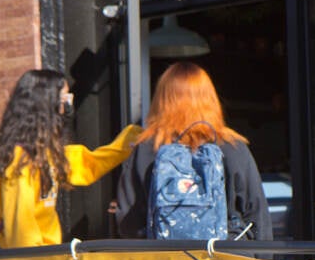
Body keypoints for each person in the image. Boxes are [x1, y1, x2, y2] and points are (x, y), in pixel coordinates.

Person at [0, 68, 142, 248]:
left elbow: (88, 165)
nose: (67, 107)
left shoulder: (47, 153)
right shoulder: (20, 159)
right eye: (64, 99)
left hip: (40, 255)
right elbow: (21, 226)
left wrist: (132, 138)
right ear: (45, 105)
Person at [115, 61, 272, 240]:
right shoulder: (233, 147)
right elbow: (257, 215)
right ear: (210, 99)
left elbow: (127, 221)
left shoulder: (145, 149)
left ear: (161, 100)